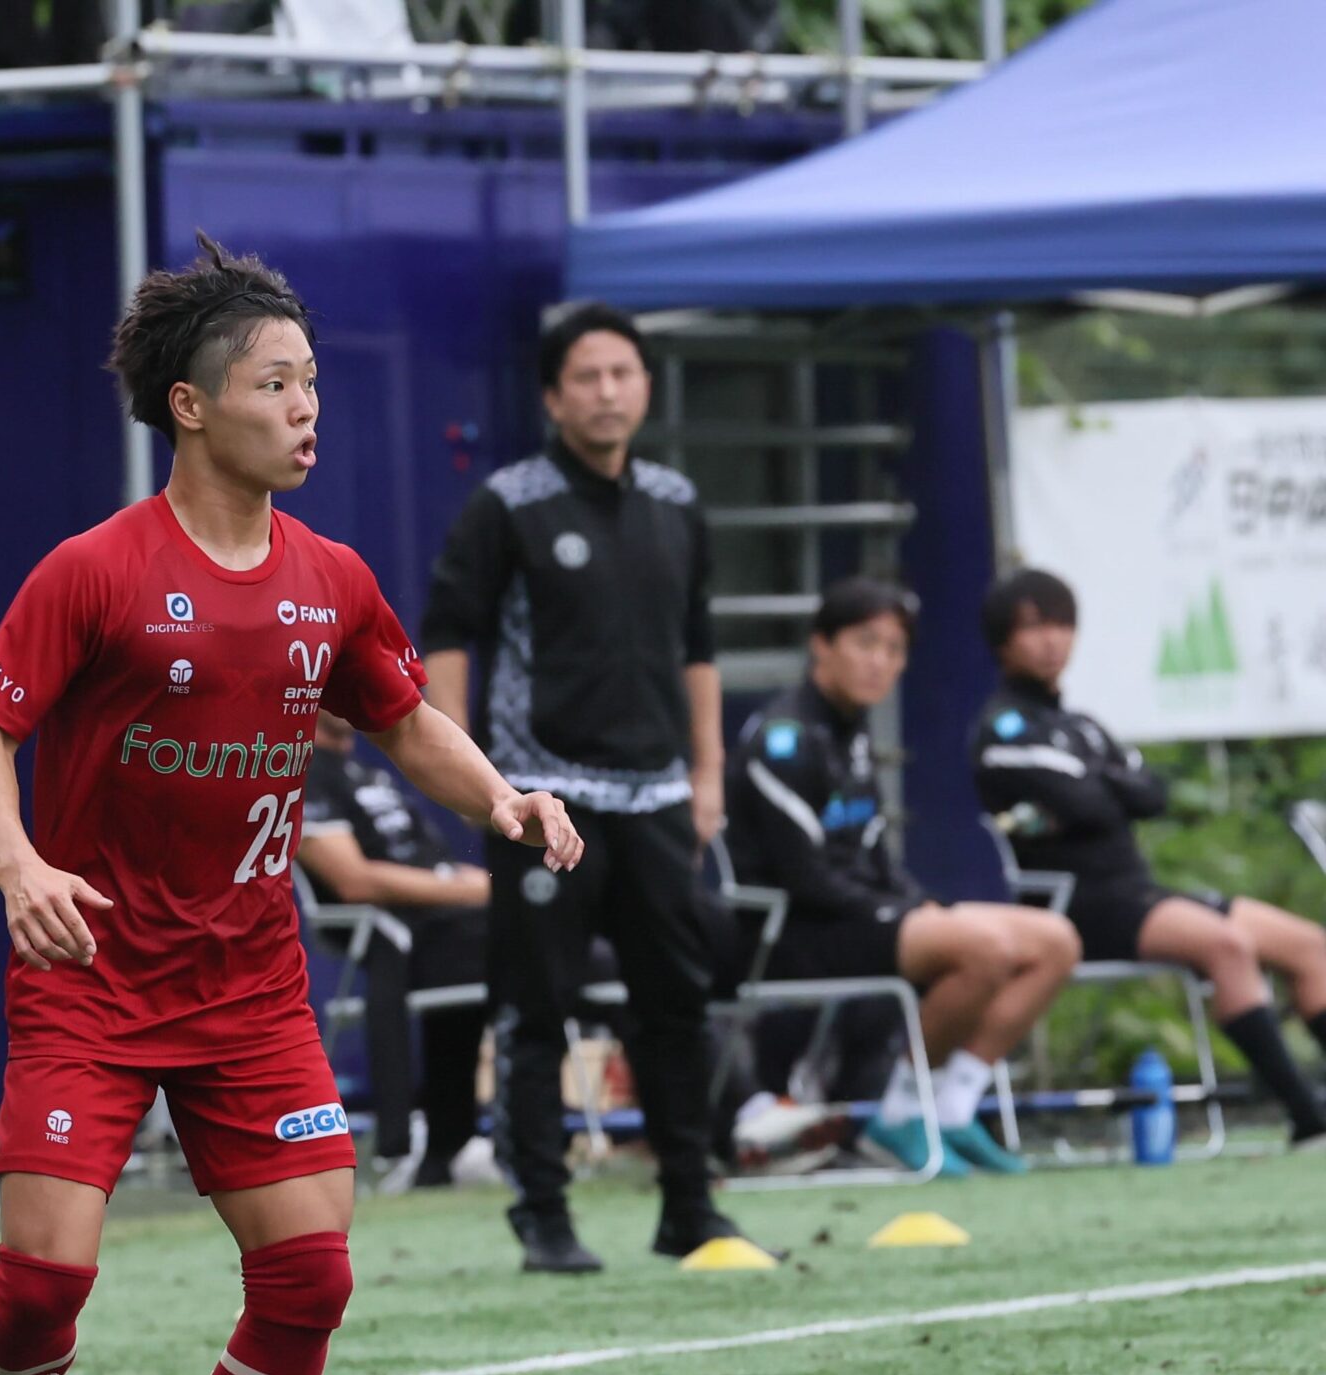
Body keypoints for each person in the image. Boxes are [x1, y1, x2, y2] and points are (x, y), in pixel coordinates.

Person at [0, 235, 581, 1375]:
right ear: (190, 404)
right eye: (275, 384)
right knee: (44, 1281)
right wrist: (19, 868)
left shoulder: (331, 577)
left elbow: (402, 716)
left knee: (309, 1278)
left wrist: (501, 796)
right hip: (91, 978)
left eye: (311, 383)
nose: (306, 409)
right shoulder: (93, 571)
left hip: (250, 987)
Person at [418, 301, 752, 1273]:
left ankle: (689, 1205)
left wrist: (707, 773)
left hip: (655, 799)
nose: (607, 392)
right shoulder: (508, 504)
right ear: (553, 397)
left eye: (623, 374)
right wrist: (474, 783)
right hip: (543, 800)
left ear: (645, 387)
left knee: (675, 1004)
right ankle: (543, 1214)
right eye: (587, 377)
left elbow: (699, 647)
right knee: (535, 1008)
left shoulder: (676, 502)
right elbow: (447, 635)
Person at [725, 579, 1077, 1173]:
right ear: (821, 645)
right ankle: (900, 1111)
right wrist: (908, 912)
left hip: (863, 916)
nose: (880, 662)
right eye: (865, 643)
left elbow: (872, 855)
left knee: (1054, 942)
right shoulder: (782, 740)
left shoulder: (852, 729)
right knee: (984, 950)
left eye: (894, 649)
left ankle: (953, 1108)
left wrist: (917, 903)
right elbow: (807, 878)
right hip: (797, 932)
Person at [976, 567, 1326, 1150]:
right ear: (1002, 642)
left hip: (1141, 893)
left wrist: (1101, 783)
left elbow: (1151, 796)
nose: (1051, 640)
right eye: (1033, 627)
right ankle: (1306, 1114)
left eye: (1061, 624)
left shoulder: (1081, 726)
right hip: (1078, 907)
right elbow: (1090, 804)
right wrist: (1108, 784)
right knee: (1226, 945)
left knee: (1307, 945)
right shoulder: (1001, 729)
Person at [296, 712, 493, 1189]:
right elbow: (353, 881)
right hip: (393, 934)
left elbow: (439, 861)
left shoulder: (374, 773)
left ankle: (451, 1142)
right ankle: (413, 1144)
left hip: (454, 925)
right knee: (533, 951)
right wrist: (470, 891)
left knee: (562, 944)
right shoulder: (302, 774)